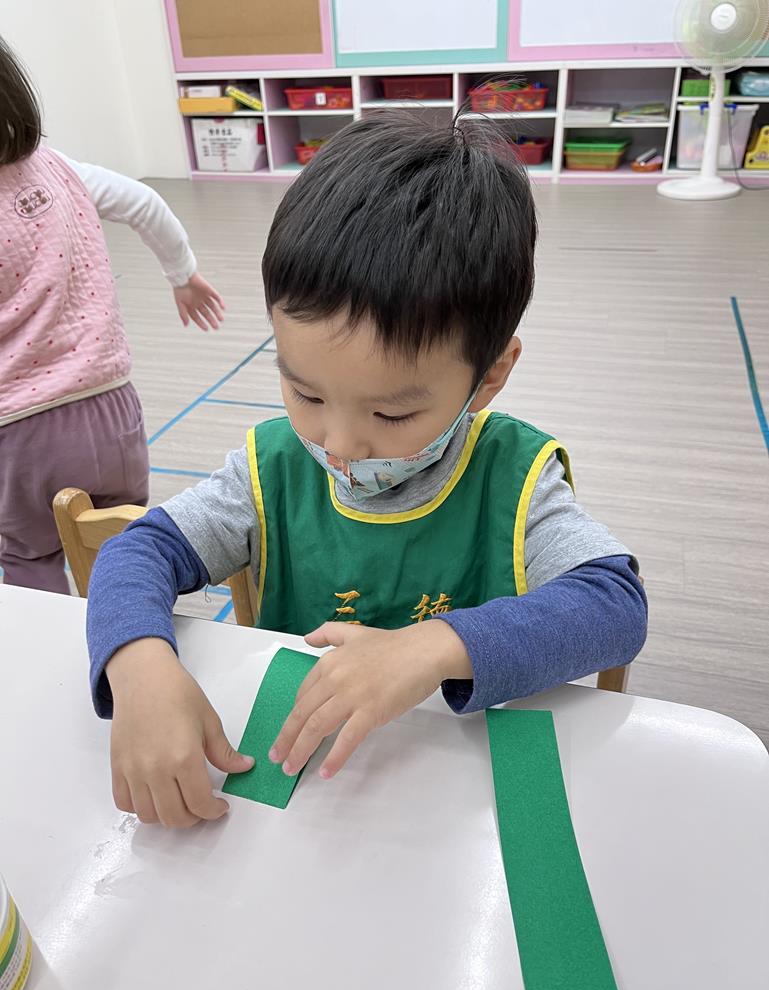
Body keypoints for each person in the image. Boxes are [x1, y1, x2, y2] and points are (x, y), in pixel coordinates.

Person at [87, 113, 648, 829]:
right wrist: (138, 665)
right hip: (309, 802)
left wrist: (433, 648)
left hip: (459, 798)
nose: (340, 444)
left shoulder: (512, 478)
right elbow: (138, 551)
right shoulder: (271, 469)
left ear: (489, 375)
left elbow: (613, 605)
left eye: (391, 413)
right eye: (306, 394)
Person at [0, 36, 224, 593]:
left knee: (29, 557)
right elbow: (144, 203)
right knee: (123, 542)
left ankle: (55, 644)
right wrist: (183, 274)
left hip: (14, 433)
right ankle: (131, 625)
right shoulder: (58, 169)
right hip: (108, 408)